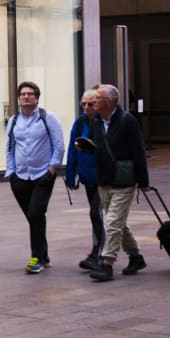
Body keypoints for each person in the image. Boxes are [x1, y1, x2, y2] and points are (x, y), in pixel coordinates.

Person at [86, 84, 149, 282]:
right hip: (104, 180)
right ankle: (136, 257)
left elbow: (139, 151)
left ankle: (106, 263)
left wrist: (143, 181)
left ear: (110, 101)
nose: (93, 102)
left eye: (97, 98)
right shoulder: (95, 121)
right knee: (117, 222)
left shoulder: (127, 120)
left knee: (112, 222)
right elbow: (94, 145)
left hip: (124, 180)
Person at [4, 81, 64, 274]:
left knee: (35, 215)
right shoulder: (14, 121)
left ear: (37, 98)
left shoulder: (48, 118)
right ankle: (44, 255)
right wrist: (11, 172)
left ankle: (36, 258)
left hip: (42, 175)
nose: (26, 96)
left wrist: (52, 170)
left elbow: (59, 145)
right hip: (20, 176)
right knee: (35, 218)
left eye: (30, 94)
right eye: (23, 94)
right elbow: (10, 148)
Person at [65, 87, 105, 271]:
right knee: (100, 216)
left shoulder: (104, 123)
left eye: (91, 104)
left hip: (104, 178)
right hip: (88, 177)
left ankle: (98, 253)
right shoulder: (80, 123)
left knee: (96, 213)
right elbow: (72, 150)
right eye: (84, 104)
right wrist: (70, 175)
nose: (87, 107)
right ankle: (134, 254)